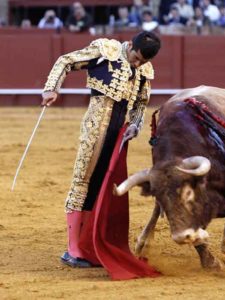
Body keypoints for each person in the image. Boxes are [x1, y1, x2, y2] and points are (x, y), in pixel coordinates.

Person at [41, 31, 161, 268]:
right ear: (129, 45)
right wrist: (51, 88)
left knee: (99, 186)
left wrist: (135, 125)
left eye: (142, 62)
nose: (137, 64)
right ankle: (73, 249)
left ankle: (87, 244)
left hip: (117, 134)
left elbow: (140, 104)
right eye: (136, 58)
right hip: (94, 129)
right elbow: (66, 60)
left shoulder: (144, 71)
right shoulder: (106, 51)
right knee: (82, 181)